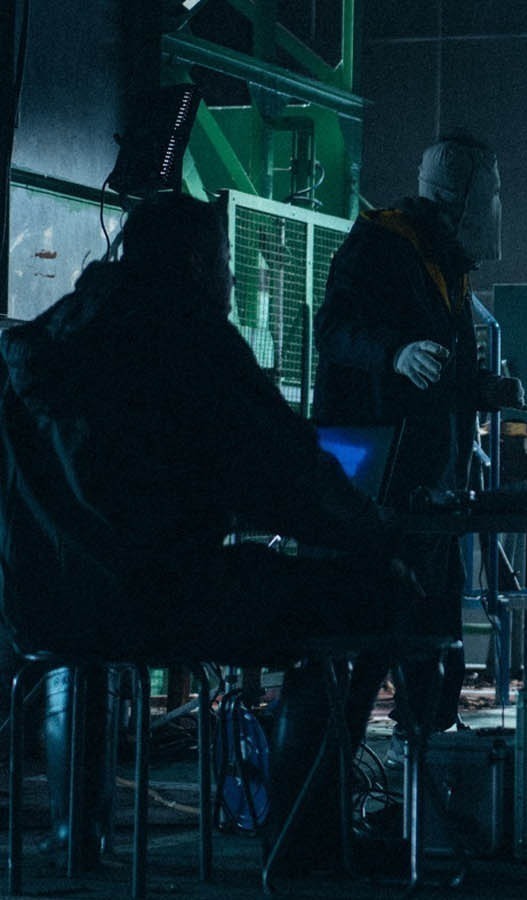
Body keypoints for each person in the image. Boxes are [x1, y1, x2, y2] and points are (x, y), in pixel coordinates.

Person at [0, 191, 422, 869]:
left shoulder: (44, 342)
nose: (229, 279)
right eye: (227, 261)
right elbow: (287, 475)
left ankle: (75, 840)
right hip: (163, 600)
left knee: (81, 632)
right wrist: (375, 533)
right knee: (369, 600)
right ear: (199, 264)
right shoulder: (190, 338)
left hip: (37, 611)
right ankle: (307, 842)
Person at [314, 131, 525, 734]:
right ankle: (330, 759)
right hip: (375, 475)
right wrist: (394, 353)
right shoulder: (380, 243)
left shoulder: (446, 264)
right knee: (371, 626)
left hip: (432, 481)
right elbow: (333, 330)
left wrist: (483, 389)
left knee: (435, 627)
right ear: (465, 197)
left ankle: (426, 754)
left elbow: (445, 369)